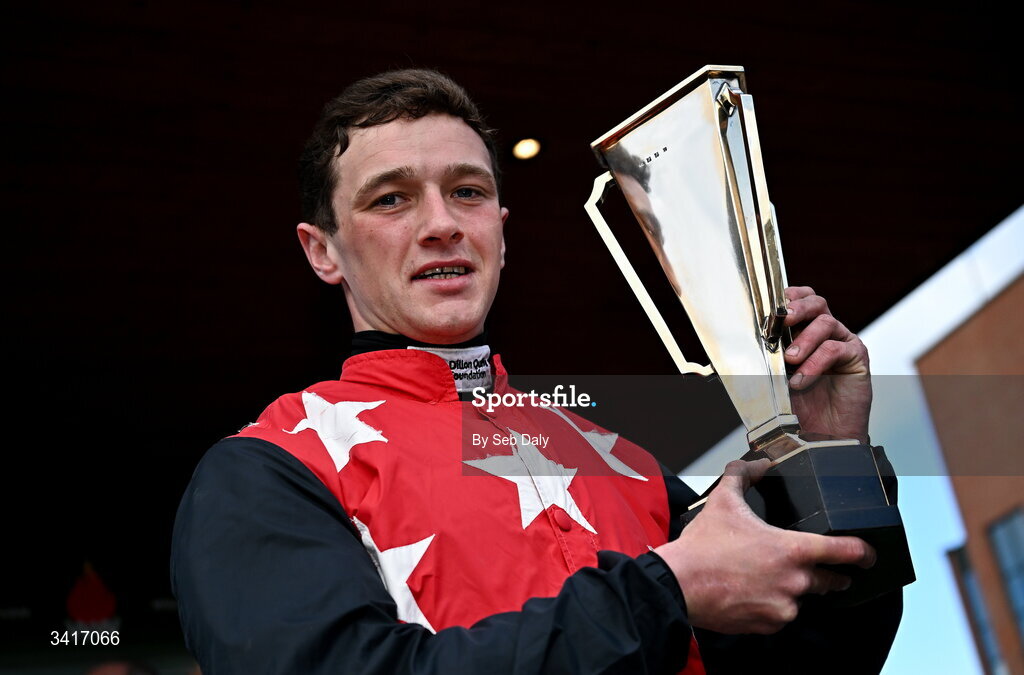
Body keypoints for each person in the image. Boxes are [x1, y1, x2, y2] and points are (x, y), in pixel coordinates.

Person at [171, 68, 902, 674]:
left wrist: (826, 457)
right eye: (391, 198)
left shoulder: (629, 465)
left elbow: (814, 661)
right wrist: (663, 592)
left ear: (500, 229)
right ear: (321, 251)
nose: (442, 223)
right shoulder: (268, 466)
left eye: (468, 191)